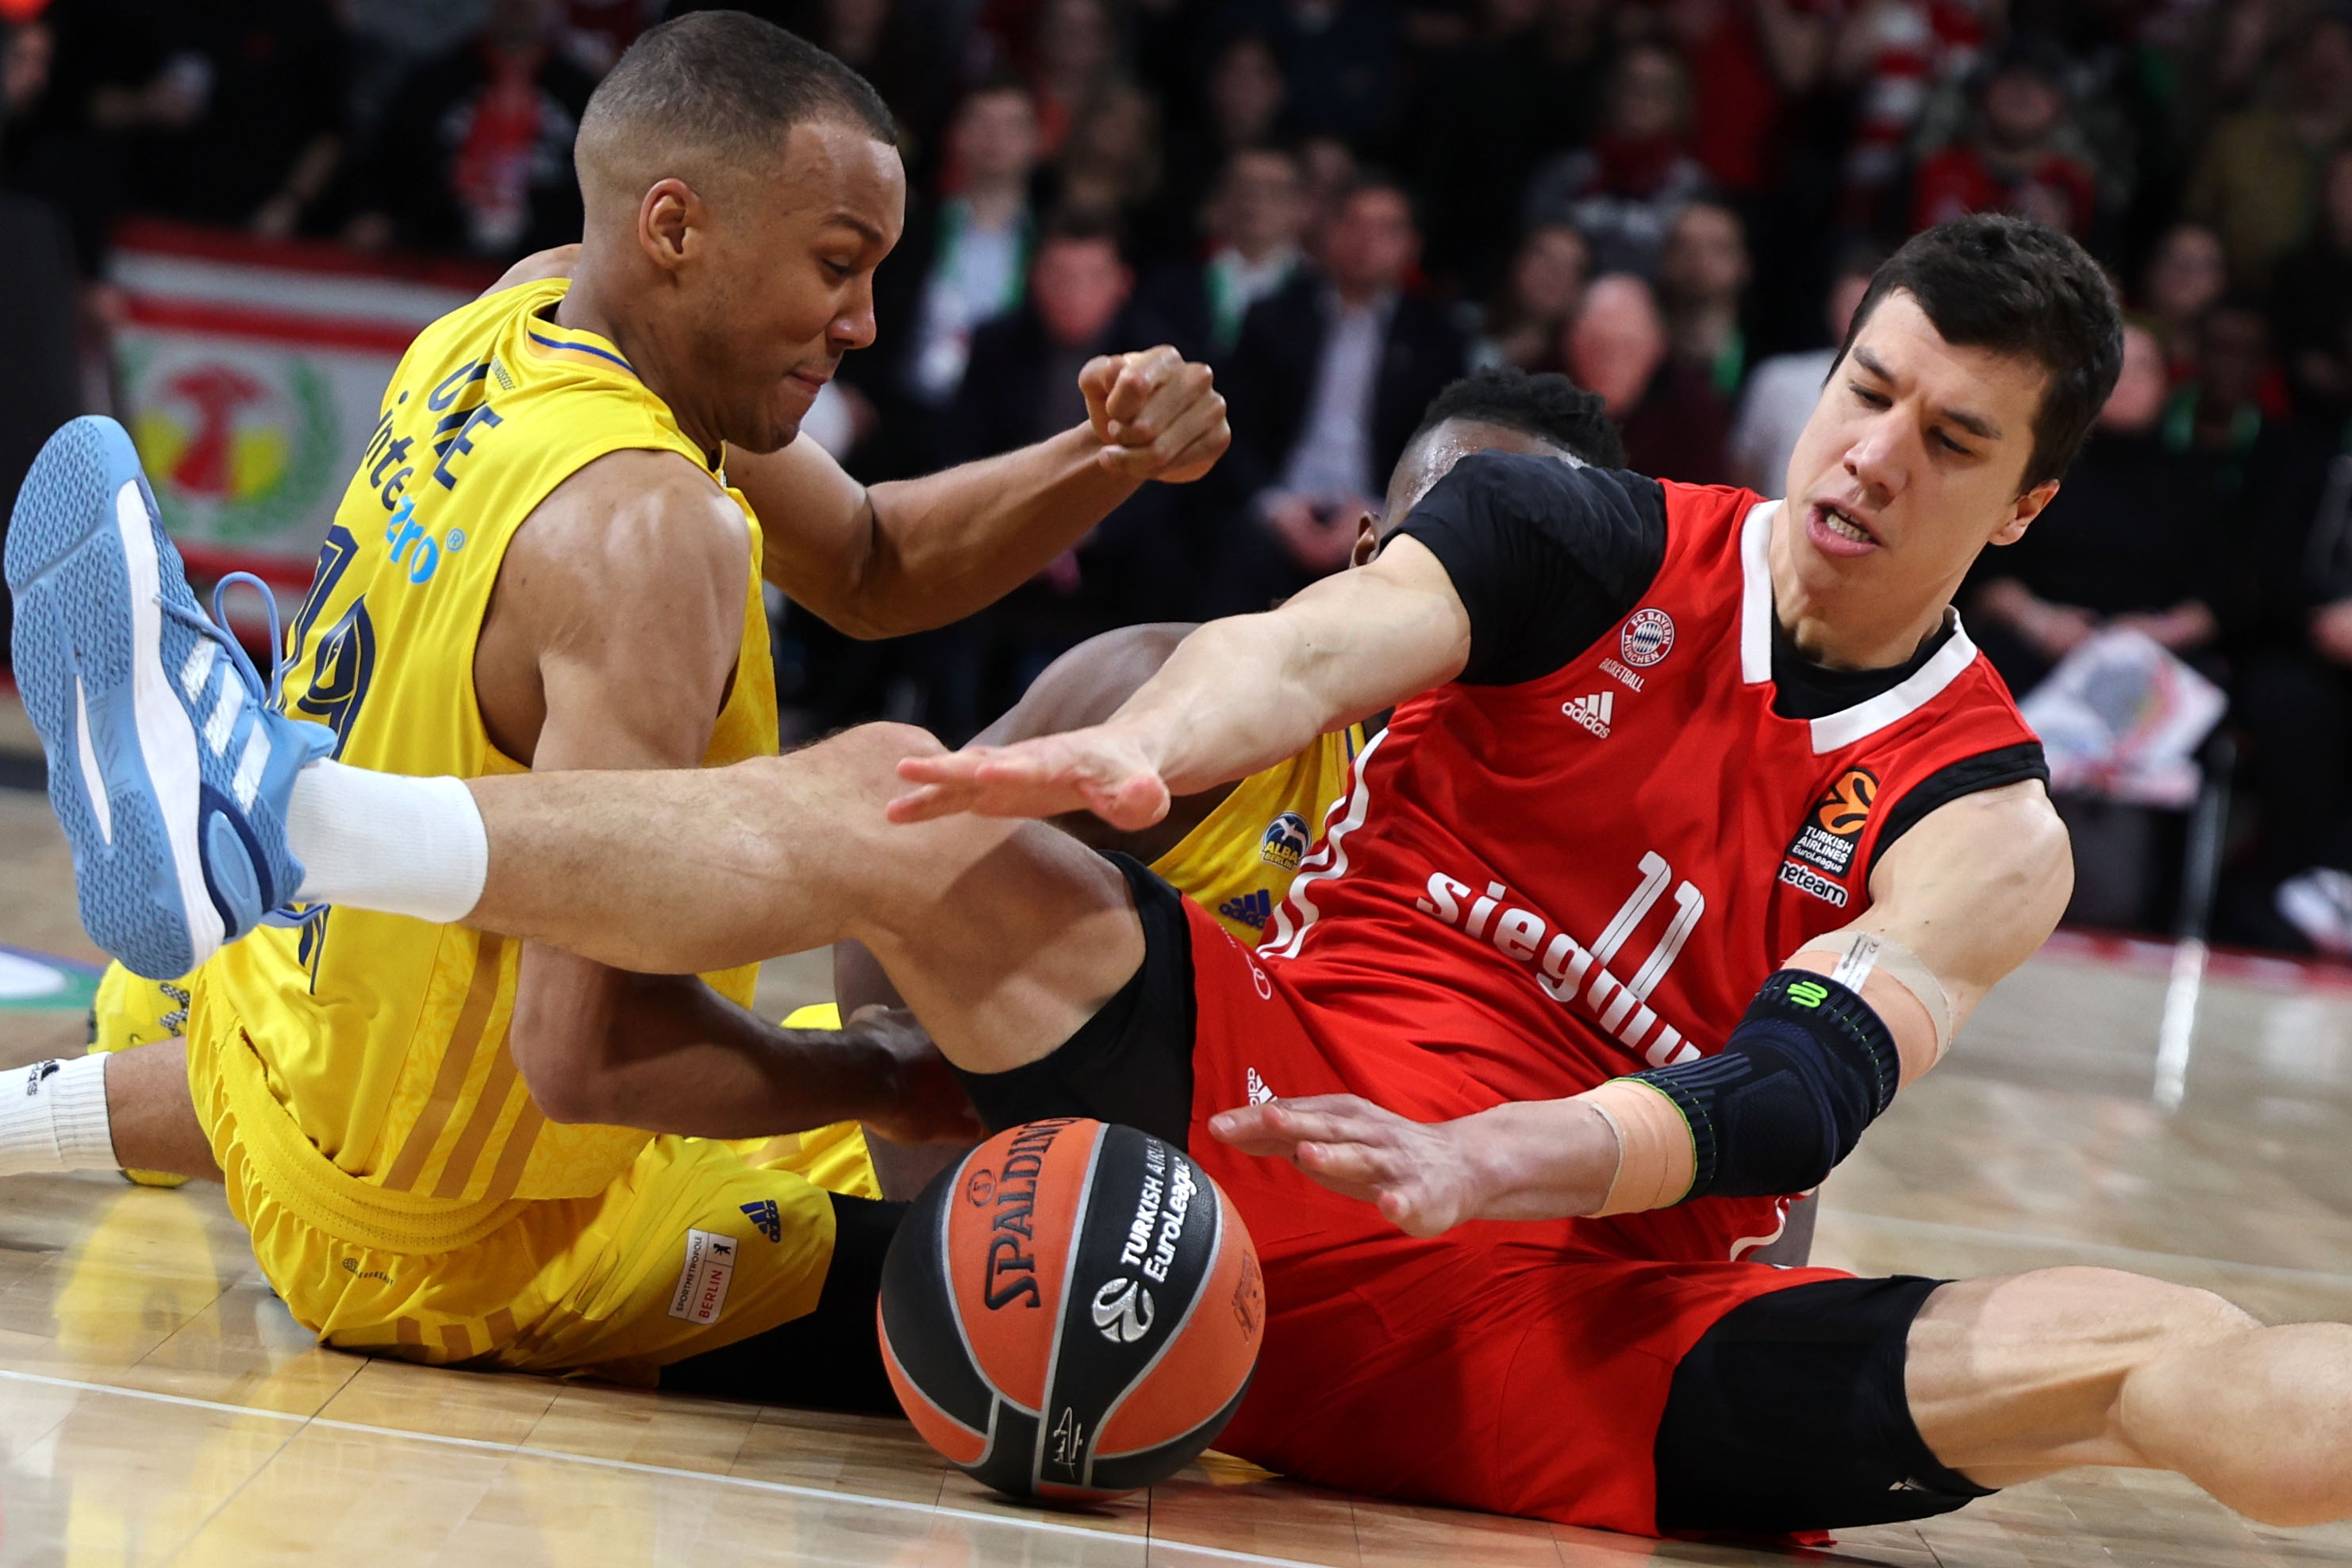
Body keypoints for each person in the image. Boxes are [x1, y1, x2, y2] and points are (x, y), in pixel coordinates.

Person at [51, 218, 2352, 1539]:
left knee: (2146, 1355)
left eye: (1947, 442)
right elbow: (1317, 640)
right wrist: (1134, 752)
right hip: (1253, 1111)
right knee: (899, 783)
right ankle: (292, 822)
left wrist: (1500, 1162)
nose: (1870, 457)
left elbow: (1788, 1099)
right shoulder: (1582, 533)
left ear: (2030, 506)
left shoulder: (1988, 820)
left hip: (1591, 1327)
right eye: (1862, 389)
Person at [0, 12, 1231, 1407]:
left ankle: (226, 849)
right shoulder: (656, 538)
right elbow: (586, 1059)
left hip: (282, 1033)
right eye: (836, 266)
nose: (862, 323)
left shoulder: (521, 311)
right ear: (673, 228)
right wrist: (882, 1081)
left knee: (406, 1016)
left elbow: (875, 565)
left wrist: (1104, 452)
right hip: (464, 1245)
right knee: (1089, 1297)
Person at [1213, 173, 1469, 613]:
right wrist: (1276, 507)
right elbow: (1233, 429)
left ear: (1412, 244)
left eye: (1386, 229)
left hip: (1381, 519)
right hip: (1279, 509)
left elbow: (1445, 450)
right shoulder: (1273, 317)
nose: (1366, 242)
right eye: (1354, 224)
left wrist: (1379, 512)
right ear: (1327, 232)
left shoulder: (1437, 339)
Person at [344, 0, 601, 261]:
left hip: (548, 268)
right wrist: (374, 213)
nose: (520, 4)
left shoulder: (582, 96)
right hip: (432, 260)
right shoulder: (435, 82)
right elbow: (388, 160)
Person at [1731, 246, 1881, 497]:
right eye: (1852, 304)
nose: (1858, 319)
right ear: (1831, 304)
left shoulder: (1906, 393)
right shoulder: (1777, 379)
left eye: (1868, 307)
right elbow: (1744, 470)